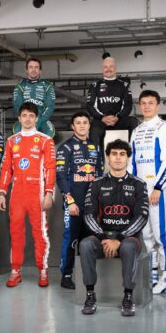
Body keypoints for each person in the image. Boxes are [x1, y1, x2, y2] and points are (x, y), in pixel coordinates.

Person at [80, 139, 149, 316]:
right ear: (108, 157)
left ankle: (128, 296)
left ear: (128, 158)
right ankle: (90, 294)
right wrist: (104, 238)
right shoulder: (96, 183)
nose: (118, 158)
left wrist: (118, 239)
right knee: (85, 244)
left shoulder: (139, 184)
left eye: (122, 154)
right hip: (102, 236)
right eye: (114, 154)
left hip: (128, 238)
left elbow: (141, 217)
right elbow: (88, 215)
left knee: (129, 246)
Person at [0, 102, 56, 288]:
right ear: (19, 118)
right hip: (17, 194)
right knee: (15, 232)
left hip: (37, 193)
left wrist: (49, 193)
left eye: (31, 116)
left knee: (40, 233)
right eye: (24, 115)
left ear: (37, 118)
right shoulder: (11, 141)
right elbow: (6, 169)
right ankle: (15, 271)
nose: (28, 119)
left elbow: (50, 168)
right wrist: (1, 192)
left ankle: (43, 270)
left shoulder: (45, 140)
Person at [129, 90, 166, 294]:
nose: (147, 106)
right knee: (147, 237)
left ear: (158, 105)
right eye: (143, 103)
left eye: (151, 103)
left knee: (162, 236)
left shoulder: (165, 128)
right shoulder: (136, 130)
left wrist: (158, 187)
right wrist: (132, 189)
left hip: (158, 191)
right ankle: (154, 275)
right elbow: (131, 163)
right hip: (140, 192)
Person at [55, 112, 102, 290]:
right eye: (78, 123)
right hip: (73, 204)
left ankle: (87, 276)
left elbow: (99, 176)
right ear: (73, 127)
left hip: (91, 205)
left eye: (85, 122)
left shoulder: (95, 147)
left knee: (88, 241)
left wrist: (99, 202)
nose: (82, 125)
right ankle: (66, 275)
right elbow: (60, 176)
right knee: (71, 240)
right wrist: (70, 201)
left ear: (89, 125)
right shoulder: (65, 148)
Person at [86, 57, 139, 147]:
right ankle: (94, 155)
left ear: (115, 68)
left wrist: (118, 117)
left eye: (111, 66)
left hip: (119, 120)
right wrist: (102, 118)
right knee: (93, 127)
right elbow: (90, 105)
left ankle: (132, 151)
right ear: (102, 69)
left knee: (133, 121)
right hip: (101, 121)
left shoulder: (124, 85)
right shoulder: (95, 86)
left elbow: (128, 105)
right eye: (105, 67)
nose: (108, 69)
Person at [12, 57, 56, 138]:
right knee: (17, 134)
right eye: (31, 67)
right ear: (27, 70)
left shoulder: (48, 85)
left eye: (36, 67)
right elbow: (17, 106)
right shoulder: (20, 86)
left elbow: (50, 106)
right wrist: (27, 119)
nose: (33, 69)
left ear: (40, 70)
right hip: (25, 120)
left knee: (48, 134)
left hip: (42, 120)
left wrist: (39, 121)